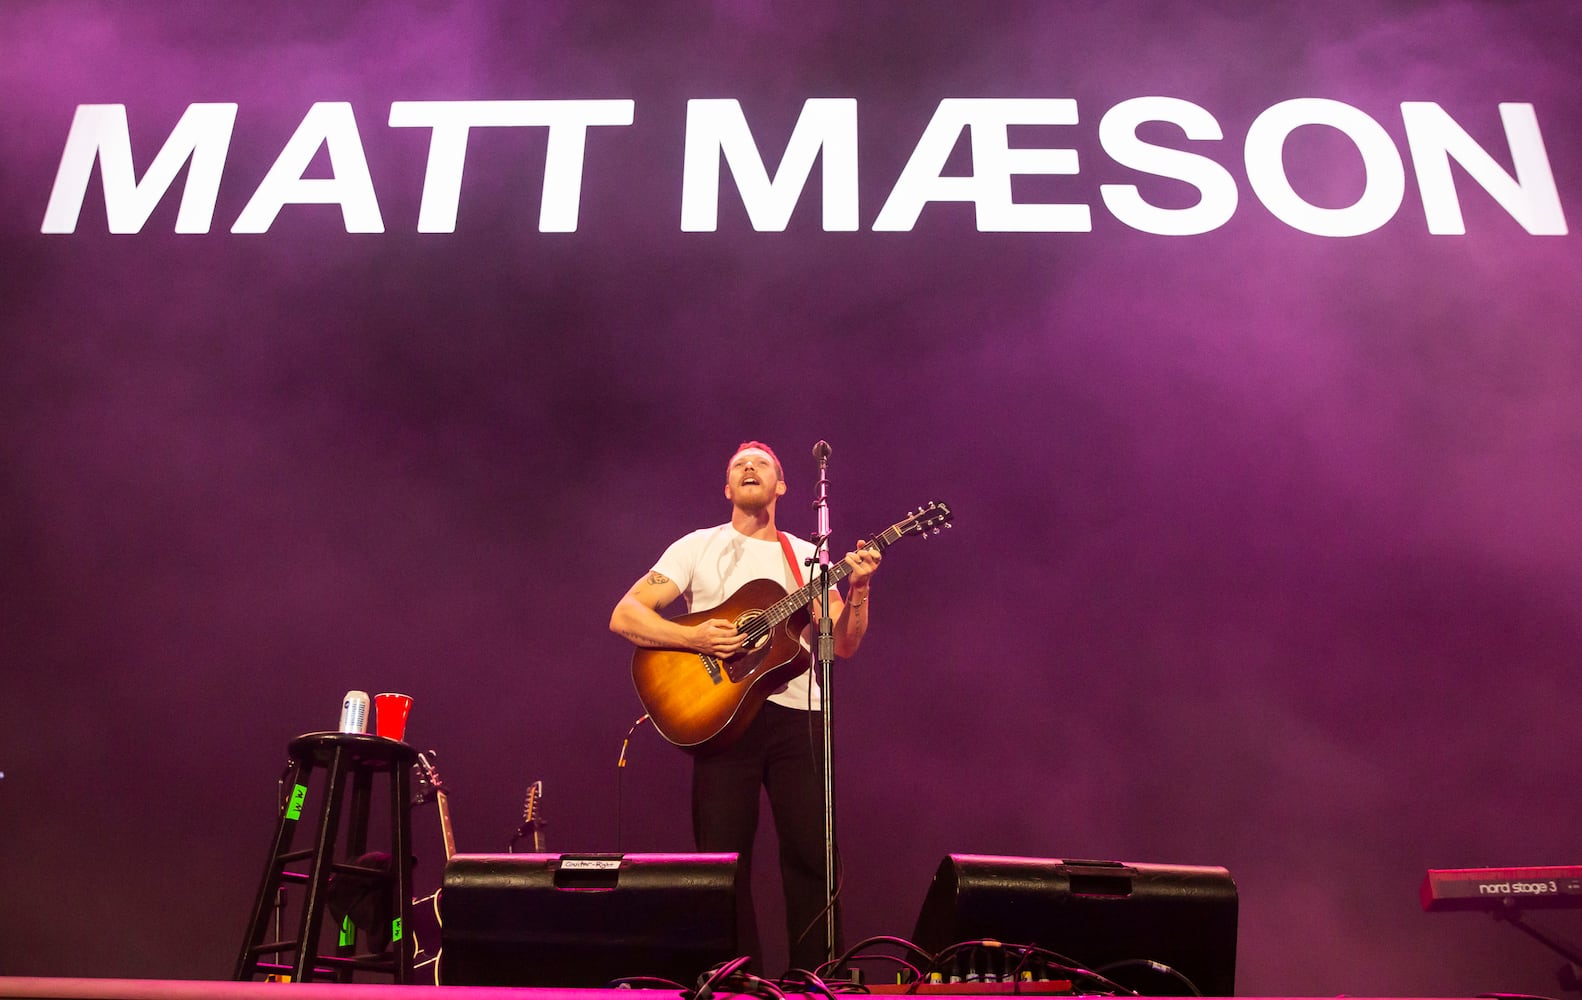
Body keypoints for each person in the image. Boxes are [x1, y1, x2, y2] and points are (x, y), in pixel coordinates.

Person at [609, 441, 880, 974]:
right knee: (722, 862)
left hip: (798, 718)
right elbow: (625, 615)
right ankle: (733, 981)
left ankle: (816, 980)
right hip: (722, 717)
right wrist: (694, 640)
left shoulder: (809, 557)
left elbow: (842, 646)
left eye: (762, 464)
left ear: (781, 487)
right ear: (728, 489)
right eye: (739, 465)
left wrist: (861, 588)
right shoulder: (697, 546)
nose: (749, 467)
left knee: (812, 857)